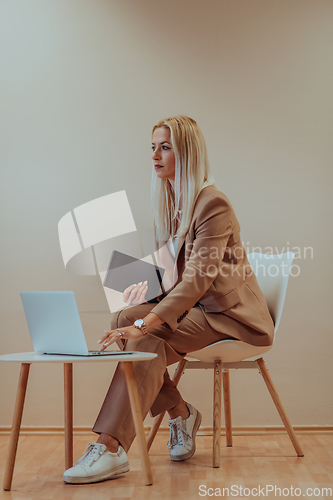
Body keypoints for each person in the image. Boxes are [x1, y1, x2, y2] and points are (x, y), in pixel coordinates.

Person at [63, 116, 274, 484]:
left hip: (228, 316)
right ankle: (180, 413)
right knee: (120, 319)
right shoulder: (176, 201)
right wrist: (143, 295)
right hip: (199, 307)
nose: (155, 155)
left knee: (142, 336)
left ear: (187, 152)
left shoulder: (213, 203)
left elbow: (197, 281)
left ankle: (110, 446)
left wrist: (146, 322)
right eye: (153, 147)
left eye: (165, 147)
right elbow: (174, 273)